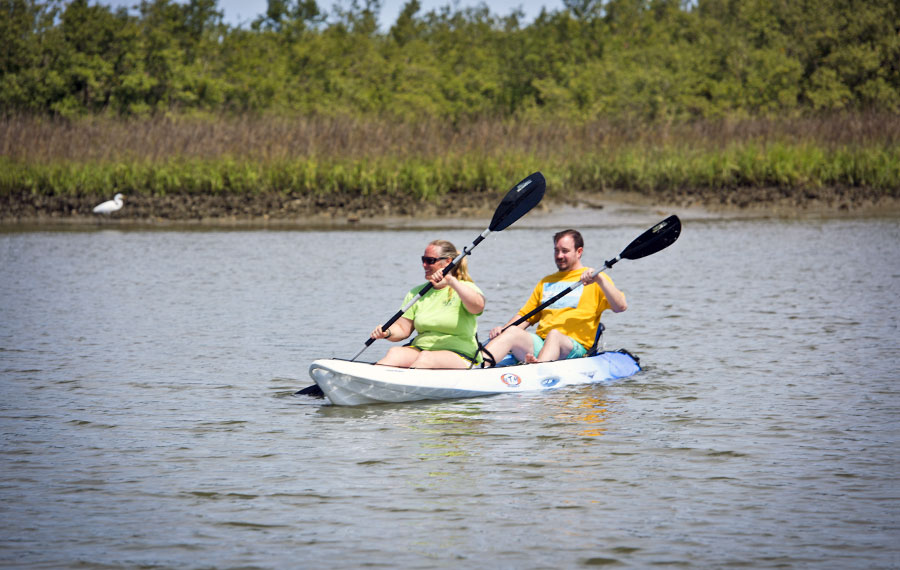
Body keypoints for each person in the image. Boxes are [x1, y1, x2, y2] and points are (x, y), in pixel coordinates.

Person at [483, 229, 627, 365]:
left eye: (565, 251)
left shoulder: (595, 279)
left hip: (573, 348)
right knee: (512, 331)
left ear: (579, 252)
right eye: (556, 250)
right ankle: (478, 365)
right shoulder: (546, 281)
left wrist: (600, 279)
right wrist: (503, 330)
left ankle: (537, 369)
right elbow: (525, 316)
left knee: (554, 335)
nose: (559, 256)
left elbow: (620, 307)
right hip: (542, 343)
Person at [370, 239, 485, 368]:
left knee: (427, 358)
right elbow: (403, 329)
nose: (424, 265)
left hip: (461, 354)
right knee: (395, 353)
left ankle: (407, 384)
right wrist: (387, 333)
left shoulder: (465, 287)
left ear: (448, 262)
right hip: (421, 349)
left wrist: (452, 282)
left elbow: (478, 307)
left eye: (430, 261)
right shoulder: (416, 293)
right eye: (423, 260)